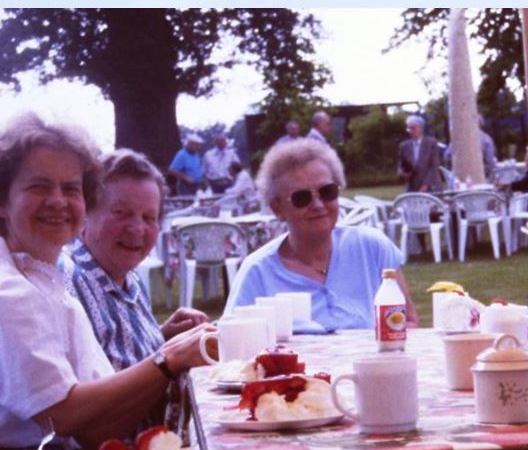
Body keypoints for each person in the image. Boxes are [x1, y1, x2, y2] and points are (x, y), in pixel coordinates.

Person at [0, 113, 214, 450]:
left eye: (71, 189)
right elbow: (59, 415)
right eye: (38, 186)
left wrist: (173, 348)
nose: (57, 201)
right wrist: (169, 359)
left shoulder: (48, 279)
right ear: (1, 200)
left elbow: (99, 425)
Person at [62, 148, 210, 433]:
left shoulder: (128, 276)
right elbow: (88, 419)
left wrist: (161, 336)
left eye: (149, 217)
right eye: (121, 213)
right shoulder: (71, 282)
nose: (137, 228)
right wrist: (171, 356)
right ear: (85, 214)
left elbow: (115, 354)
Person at [225, 139, 419, 329]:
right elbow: (232, 342)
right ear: (277, 209)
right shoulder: (258, 271)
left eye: (327, 191)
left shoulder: (372, 247)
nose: (317, 205)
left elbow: (407, 322)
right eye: (301, 198)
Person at [398, 115, 443, 193]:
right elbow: (400, 166)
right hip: (412, 188)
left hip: (432, 187)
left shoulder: (431, 143)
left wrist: (425, 185)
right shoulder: (404, 146)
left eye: (413, 128)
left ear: (421, 128)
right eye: (408, 128)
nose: (410, 131)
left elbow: (434, 166)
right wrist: (403, 173)